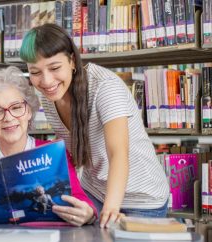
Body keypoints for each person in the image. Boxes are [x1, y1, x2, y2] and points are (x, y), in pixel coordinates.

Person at [19, 23, 169, 228]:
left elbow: (118, 153)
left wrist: (110, 210)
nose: (46, 80)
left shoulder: (105, 87)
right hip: (95, 191)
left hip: (141, 197)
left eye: (55, 68)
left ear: (72, 61)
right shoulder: (49, 94)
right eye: (35, 72)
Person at [0, 66, 97, 226]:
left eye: (16, 108)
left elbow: (81, 200)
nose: (8, 118)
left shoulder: (55, 154)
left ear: (29, 111)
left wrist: (89, 214)